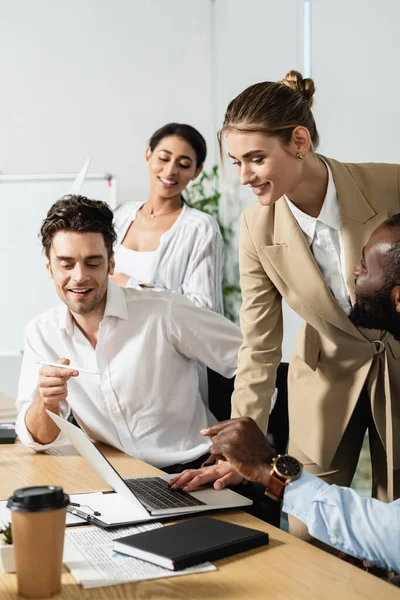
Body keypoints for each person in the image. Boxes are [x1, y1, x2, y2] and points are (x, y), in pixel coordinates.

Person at [174, 71, 400, 539]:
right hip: (324, 376)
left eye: (256, 159)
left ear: (299, 141)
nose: (244, 177)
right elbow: (257, 347)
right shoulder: (257, 229)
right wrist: (242, 442)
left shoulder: (389, 184)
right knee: (302, 528)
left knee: (393, 521)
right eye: (236, 162)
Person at [170, 213, 400, 570]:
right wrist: (362, 539)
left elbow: (392, 535)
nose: (353, 270)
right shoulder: (256, 226)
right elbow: (258, 349)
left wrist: (270, 468)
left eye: (364, 265)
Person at [15, 195, 241, 472]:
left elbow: (254, 362)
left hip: (190, 471)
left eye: (92, 263)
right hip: (111, 476)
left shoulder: (166, 312)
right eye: (66, 263)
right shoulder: (42, 333)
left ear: (111, 264)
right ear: (50, 268)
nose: (79, 276)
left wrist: (241, 451)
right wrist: (45, 400)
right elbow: (38, 440)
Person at [111, 123, 224, 314]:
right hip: (112, 339)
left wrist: (131, 285)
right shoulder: (120, 216)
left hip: (167, 343)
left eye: (184, 164)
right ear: (148, 155)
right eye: (164, 158)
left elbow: (204, 308)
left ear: (197, 171)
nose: (170, 170)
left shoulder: (201, 228)